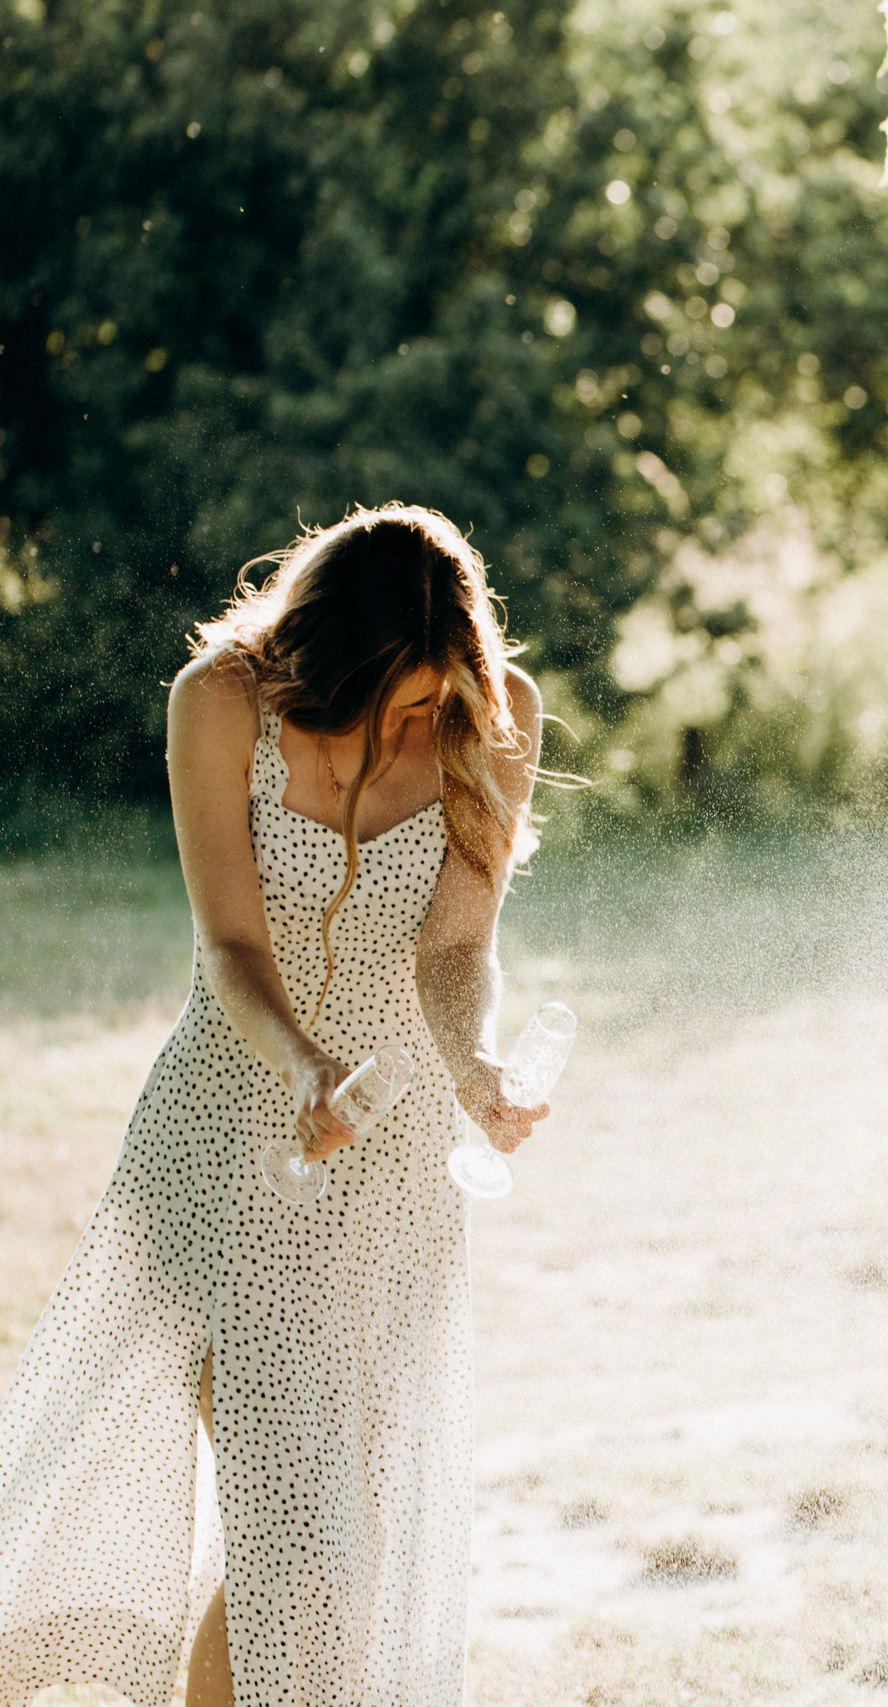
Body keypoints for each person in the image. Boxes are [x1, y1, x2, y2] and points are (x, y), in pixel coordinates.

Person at [0, 505, 554, 1707]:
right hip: (232, 1127)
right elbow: (232, 944)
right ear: (326, 663)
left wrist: (475, 1070)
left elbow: (457, 945)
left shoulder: (491, 713)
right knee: (295, 1514)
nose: (419, 723)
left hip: (393, 1150)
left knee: (334, 1520)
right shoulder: (221, 700)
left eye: (431, 700)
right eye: (396, 702)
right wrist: (305, 1067)